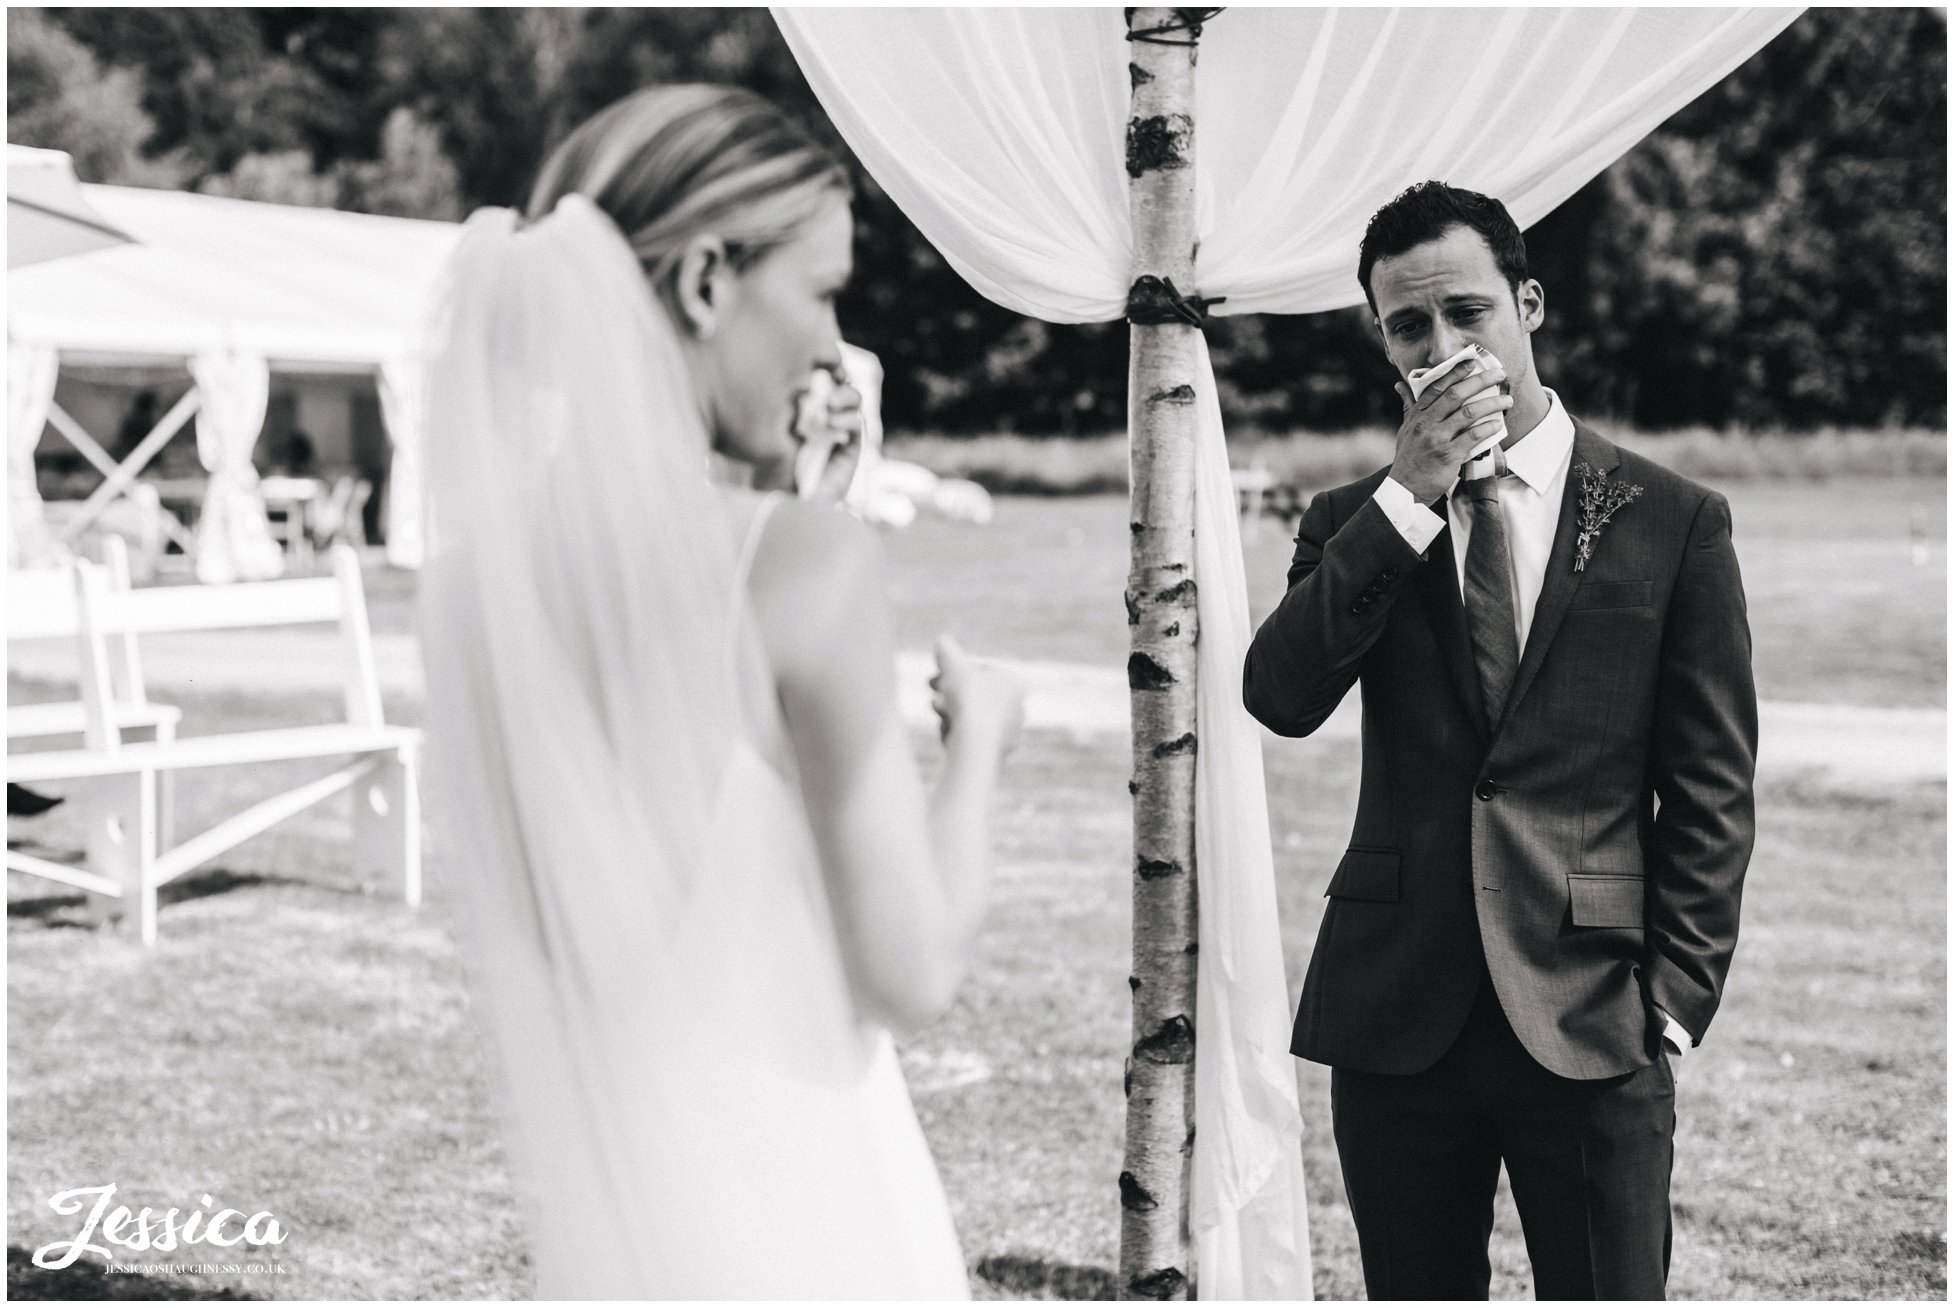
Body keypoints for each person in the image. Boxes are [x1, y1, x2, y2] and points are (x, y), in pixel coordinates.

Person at [417, 85, 1024, 1298]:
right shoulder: (809, 566)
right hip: (803, 1202)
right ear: (704, 283)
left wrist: (791, 495)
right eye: (820, 291)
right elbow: (907, 973)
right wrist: (980, 753)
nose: (830, 344)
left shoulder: (475, 585)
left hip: (620, 1221)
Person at [1244, 182, 1756, 1300]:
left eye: (1468, 311)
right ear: (1384, 344)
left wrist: (1669, 1001)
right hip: (1394, 1015)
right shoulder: (1351, 522)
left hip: (1591, 1006)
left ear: (1527, 303)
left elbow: (1712, 787)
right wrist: (1408, 495)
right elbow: (1277, 697)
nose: (1444, 345)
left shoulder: (1670, 518)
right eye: (1409, 325)